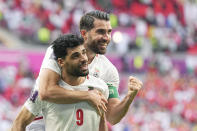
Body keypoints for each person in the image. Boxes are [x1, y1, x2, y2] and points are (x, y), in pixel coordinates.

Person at [12, 10, 143, 130]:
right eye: (100, 32)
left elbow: (112, 117)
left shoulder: (108, 71)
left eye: (109, 32)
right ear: (84, 33)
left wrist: (129, 97)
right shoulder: (59, 50)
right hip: (42, 123)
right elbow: (46, 92)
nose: (106, 37)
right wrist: (88, 96)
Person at [11, 34, 109, 131]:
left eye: (84, 53)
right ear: (61, 62)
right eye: (75, 56)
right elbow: (19, 123)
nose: (83, 59)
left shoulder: (100, 87)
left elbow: (101, 123)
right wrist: (87, 96)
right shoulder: (43, 92)